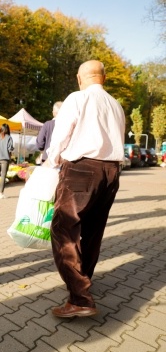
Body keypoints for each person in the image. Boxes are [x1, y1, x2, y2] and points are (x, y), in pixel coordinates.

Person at [43, 60, 125, 318]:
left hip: (81, 169)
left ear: (80, 79)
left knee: (63, 229)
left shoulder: (77, 99)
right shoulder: (116, 105)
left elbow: (60, 137)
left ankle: (80, 297)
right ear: (105, 77)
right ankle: (83, 280)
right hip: (111, 172)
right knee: (93, 231)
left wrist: (50, 163)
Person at [0, 123, 14, 199]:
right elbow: (10, 148)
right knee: (3, 176)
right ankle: (1, 193)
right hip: (5, 159)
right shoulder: (9, 138)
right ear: (8, 129)